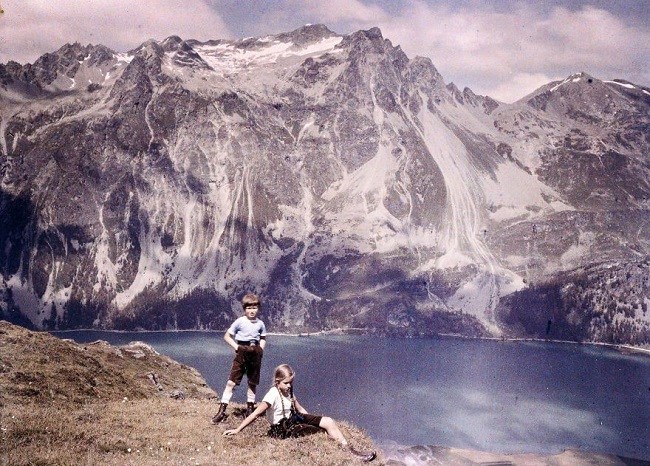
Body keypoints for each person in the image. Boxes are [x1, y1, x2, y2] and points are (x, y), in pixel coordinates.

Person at [223, 364, 376, 462]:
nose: (289, 386)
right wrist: (237, 430)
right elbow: (255, 414)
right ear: (277, 381)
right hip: (281, 428)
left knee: (328, 421)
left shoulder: (289, 391)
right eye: (286, 383)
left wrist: (312, 419)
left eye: (291, 382)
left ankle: (351, 451)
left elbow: (299, 408)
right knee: (316, 431)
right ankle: (350, 456)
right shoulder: (272, 394)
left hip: (294, 419)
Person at [212, 293, 266, 423]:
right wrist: (237, 348)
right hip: (241, 352)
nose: (251, 311)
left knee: (252, 383)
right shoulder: (240, 321)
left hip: (255, 353)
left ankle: (249, 411)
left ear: (258, 308)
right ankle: (222, 411)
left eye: (254, 308)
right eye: (248, 308)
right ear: (244, 309)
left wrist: (260, 350)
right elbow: (227, 336)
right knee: (231, 382)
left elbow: (263, 338)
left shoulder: (260, 324)